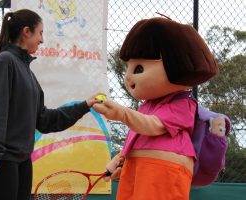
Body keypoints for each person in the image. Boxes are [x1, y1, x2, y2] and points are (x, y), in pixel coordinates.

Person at [0, 9, 100, 200]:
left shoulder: (27, 73)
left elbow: (44, 120)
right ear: (27, 32)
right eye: (40, 33)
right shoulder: (5, 62)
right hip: (2, 161)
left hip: (23, 159)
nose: (42, 40)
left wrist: (84, 106)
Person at [93, 17, 219, 200]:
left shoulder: (183, 103)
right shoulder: (147, 105)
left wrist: (122, 113)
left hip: (163, 168)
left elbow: (152, 126)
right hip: (138, 166)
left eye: (138, 69)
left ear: (175, 63)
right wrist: (119, 160)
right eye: (128, 67)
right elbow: (137, 136)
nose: (128, 77)